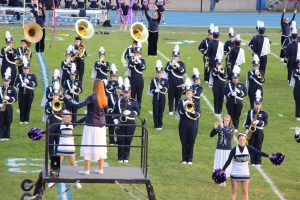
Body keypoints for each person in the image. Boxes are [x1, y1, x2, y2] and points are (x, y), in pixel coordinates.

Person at [65, 79, 108, 175]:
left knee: (88, 145)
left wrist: (69, 99)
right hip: (101, 125)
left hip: (91, 125)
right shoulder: (105, 97)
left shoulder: (92, 97)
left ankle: (86, 170)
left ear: (95, 86)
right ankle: (101, 168)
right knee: (100, 146)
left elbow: (78, 105)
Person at [221, 133, 270, 200]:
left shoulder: (248, 148)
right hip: (235, 173)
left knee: (245, 192)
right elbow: (229, 161)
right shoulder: (234, 150)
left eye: (243, 140)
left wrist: (268, 156)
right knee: (234, 191)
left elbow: (258, 152)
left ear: (245, 140)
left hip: (245, 173)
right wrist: (223, 169)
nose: (242, 141)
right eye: (240, 140)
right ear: (238, 140)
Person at [48, 110, 82, 189]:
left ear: (70, 118)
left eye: (68, 117)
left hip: (70, 148)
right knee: (56, 164)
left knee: (73, 164)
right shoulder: (59, 125)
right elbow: (50, 130)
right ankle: (52, 180)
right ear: (63, 118)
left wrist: (89, 115)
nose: (67, 118)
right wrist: (41, 132)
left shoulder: (73, 125)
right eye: (65, 117)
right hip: (61, 147)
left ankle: (76, 181)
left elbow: (81, 121)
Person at [112, 78, 140, 163]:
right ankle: (120, 157)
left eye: (127, 92)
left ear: (130, 93)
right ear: (122, 92)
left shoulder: (133, 101)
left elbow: (138, 112)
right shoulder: (119, 100)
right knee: (120, 140)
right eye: (124, 92)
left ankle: (126, 157)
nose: (126, 94)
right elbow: (114, 112)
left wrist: (130, 112)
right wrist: (115, 120)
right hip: (120, 123)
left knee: (128, 140)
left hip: (130, 123)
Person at [177, 78, 200, 165]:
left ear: (192, 94)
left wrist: (193, 112)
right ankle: (184, 159)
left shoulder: (196, 102)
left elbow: (199, 114)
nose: (188, 94)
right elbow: (180, 112)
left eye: (190, 93)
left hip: (193, 124)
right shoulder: (181, 102)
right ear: (185, 94)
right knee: (184, 141)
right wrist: (185, 107)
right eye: (187, 93)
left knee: (191, 142)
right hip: (183, 123)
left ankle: (190, 158)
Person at [244, 90, 268, 166]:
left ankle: (258, 161)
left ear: (261, 104)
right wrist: (247, 129)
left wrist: (259, 122)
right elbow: (246, 123)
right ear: (254, 104)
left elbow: (266, 122)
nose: (257, 106)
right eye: (256, 104)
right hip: (252, 131)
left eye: (259, 104)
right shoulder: (250, 112)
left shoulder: (264, 113)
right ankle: (253, 161)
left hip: (259, 131)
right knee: (251, 146)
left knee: (258, 146)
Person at [210, 114, 234, 186]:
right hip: (219, 148)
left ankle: (224, 180)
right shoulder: (220, 126)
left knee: (225, 164)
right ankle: (219, 179)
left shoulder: (231, 127)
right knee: (219, 163)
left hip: (227, 149)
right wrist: (215, 128)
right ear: (223, 120)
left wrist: (222, 127)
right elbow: (211, 135)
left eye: (227, 120)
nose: (226, 121)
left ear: (229, 121)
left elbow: (228, 135)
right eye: (225, 120)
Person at [14, 57, 38, 124]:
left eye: (27, 69)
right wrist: (21, 85)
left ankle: (26, 119)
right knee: (21, 106)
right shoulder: (19, 76)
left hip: (30, 93)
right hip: (21, 92)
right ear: (23, 69)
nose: (26, 70)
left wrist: (29, 82)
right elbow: (16, 85)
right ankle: (21, 119)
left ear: (29, 69)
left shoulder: (32, 76)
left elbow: (35, 84)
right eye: (24, 69)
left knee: (28, 106)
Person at [165, 44, 186, 115]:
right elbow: (166, 70)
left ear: (179, 57)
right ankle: (170, 110)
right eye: (174, 56)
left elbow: (183, 71)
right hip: (171, 82)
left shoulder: (181, 63)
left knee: (178, 97)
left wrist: (178, 66)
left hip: (179, 83)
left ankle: (177, 109)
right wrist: (171, 65)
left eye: (176, 57)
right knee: (170, 96)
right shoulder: (169, 63)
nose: (175, 58)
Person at [224, 65, 247, 132]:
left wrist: (240, 92)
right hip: (230, 102)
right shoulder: (228, 84)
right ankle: (231, 126)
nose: (235, 79)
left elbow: (245, 93)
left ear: (238, 78)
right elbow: (225, 92)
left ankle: (236, 127)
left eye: (236, 78)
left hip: (239, 102)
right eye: (234, 78)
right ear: (232, 78)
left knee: (237, 114)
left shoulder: (242, 85)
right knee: (231, 114)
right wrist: (231, 94)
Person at [45, 88, 66, 156]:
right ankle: (51, 158)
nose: (55, 96)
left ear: (59, 96)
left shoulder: (62, 103)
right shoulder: (48, 103)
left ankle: (57, 158)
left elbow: (64, 114)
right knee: (50, 143)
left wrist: (59, 110)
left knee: (58, 142)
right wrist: (52, 107)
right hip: (51, 124)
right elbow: (47, 111)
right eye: (54, 95)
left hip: (59, 124)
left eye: (56, 95)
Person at [149, 60, 168, 130]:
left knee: (161, 111)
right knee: (155, 111)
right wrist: (155, 90)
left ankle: (160, 124)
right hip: (155, 97)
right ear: (156, 73)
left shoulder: (165, 80)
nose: (159, 74)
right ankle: (156, 124)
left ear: (162, 73)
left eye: (160, 73)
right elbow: (151, 90)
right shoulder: (153, 80)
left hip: (162, 97)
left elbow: (167, 89)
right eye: (157, 73)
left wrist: (162, 88)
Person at [0, 68, 17, 141]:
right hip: (1, 107)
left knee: (8, 121)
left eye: (7, 81)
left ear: (9, 81)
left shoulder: (12, 89)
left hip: (9, 106)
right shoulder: (0, 89)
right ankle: (1, 136)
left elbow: (15, 99)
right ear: (3, 81)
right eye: (5, 81)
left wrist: (9, 98)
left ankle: (7, 136)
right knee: (1, 121)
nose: (6, 82)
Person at [128, 44, 146, 109]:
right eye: (136, 53)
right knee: (132, 94)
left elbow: (143, 67)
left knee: (139, 94)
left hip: (140, 79)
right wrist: (134, 62)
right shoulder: (131, 60)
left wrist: (138, 61)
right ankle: (132, 106)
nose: (137, 54)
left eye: (138, 53)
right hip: (132, 79)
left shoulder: (142, 60)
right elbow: (130, 67)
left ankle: (138, 107)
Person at [106, 76, 123, 145]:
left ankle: (119, 140)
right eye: (117, 89)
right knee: (111, 127)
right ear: (115, 89)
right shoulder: (110, 95)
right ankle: (111, 141)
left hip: (120, 115)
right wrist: (109, 109)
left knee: (120, 128)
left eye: (120, 89)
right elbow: (106, 105)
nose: (118, 90)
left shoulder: (123, 96)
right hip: (111, 114)